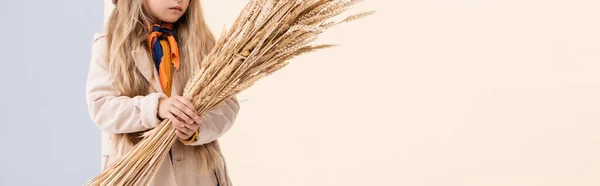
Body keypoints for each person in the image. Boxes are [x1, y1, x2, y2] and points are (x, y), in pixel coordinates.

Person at [85, 0, 240, 185]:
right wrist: (156, 108)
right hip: (141, 176)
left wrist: (196, 128)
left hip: (198, 175)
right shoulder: (109, 45)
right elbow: (102, 108)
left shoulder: (203, 43)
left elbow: (228, 105)